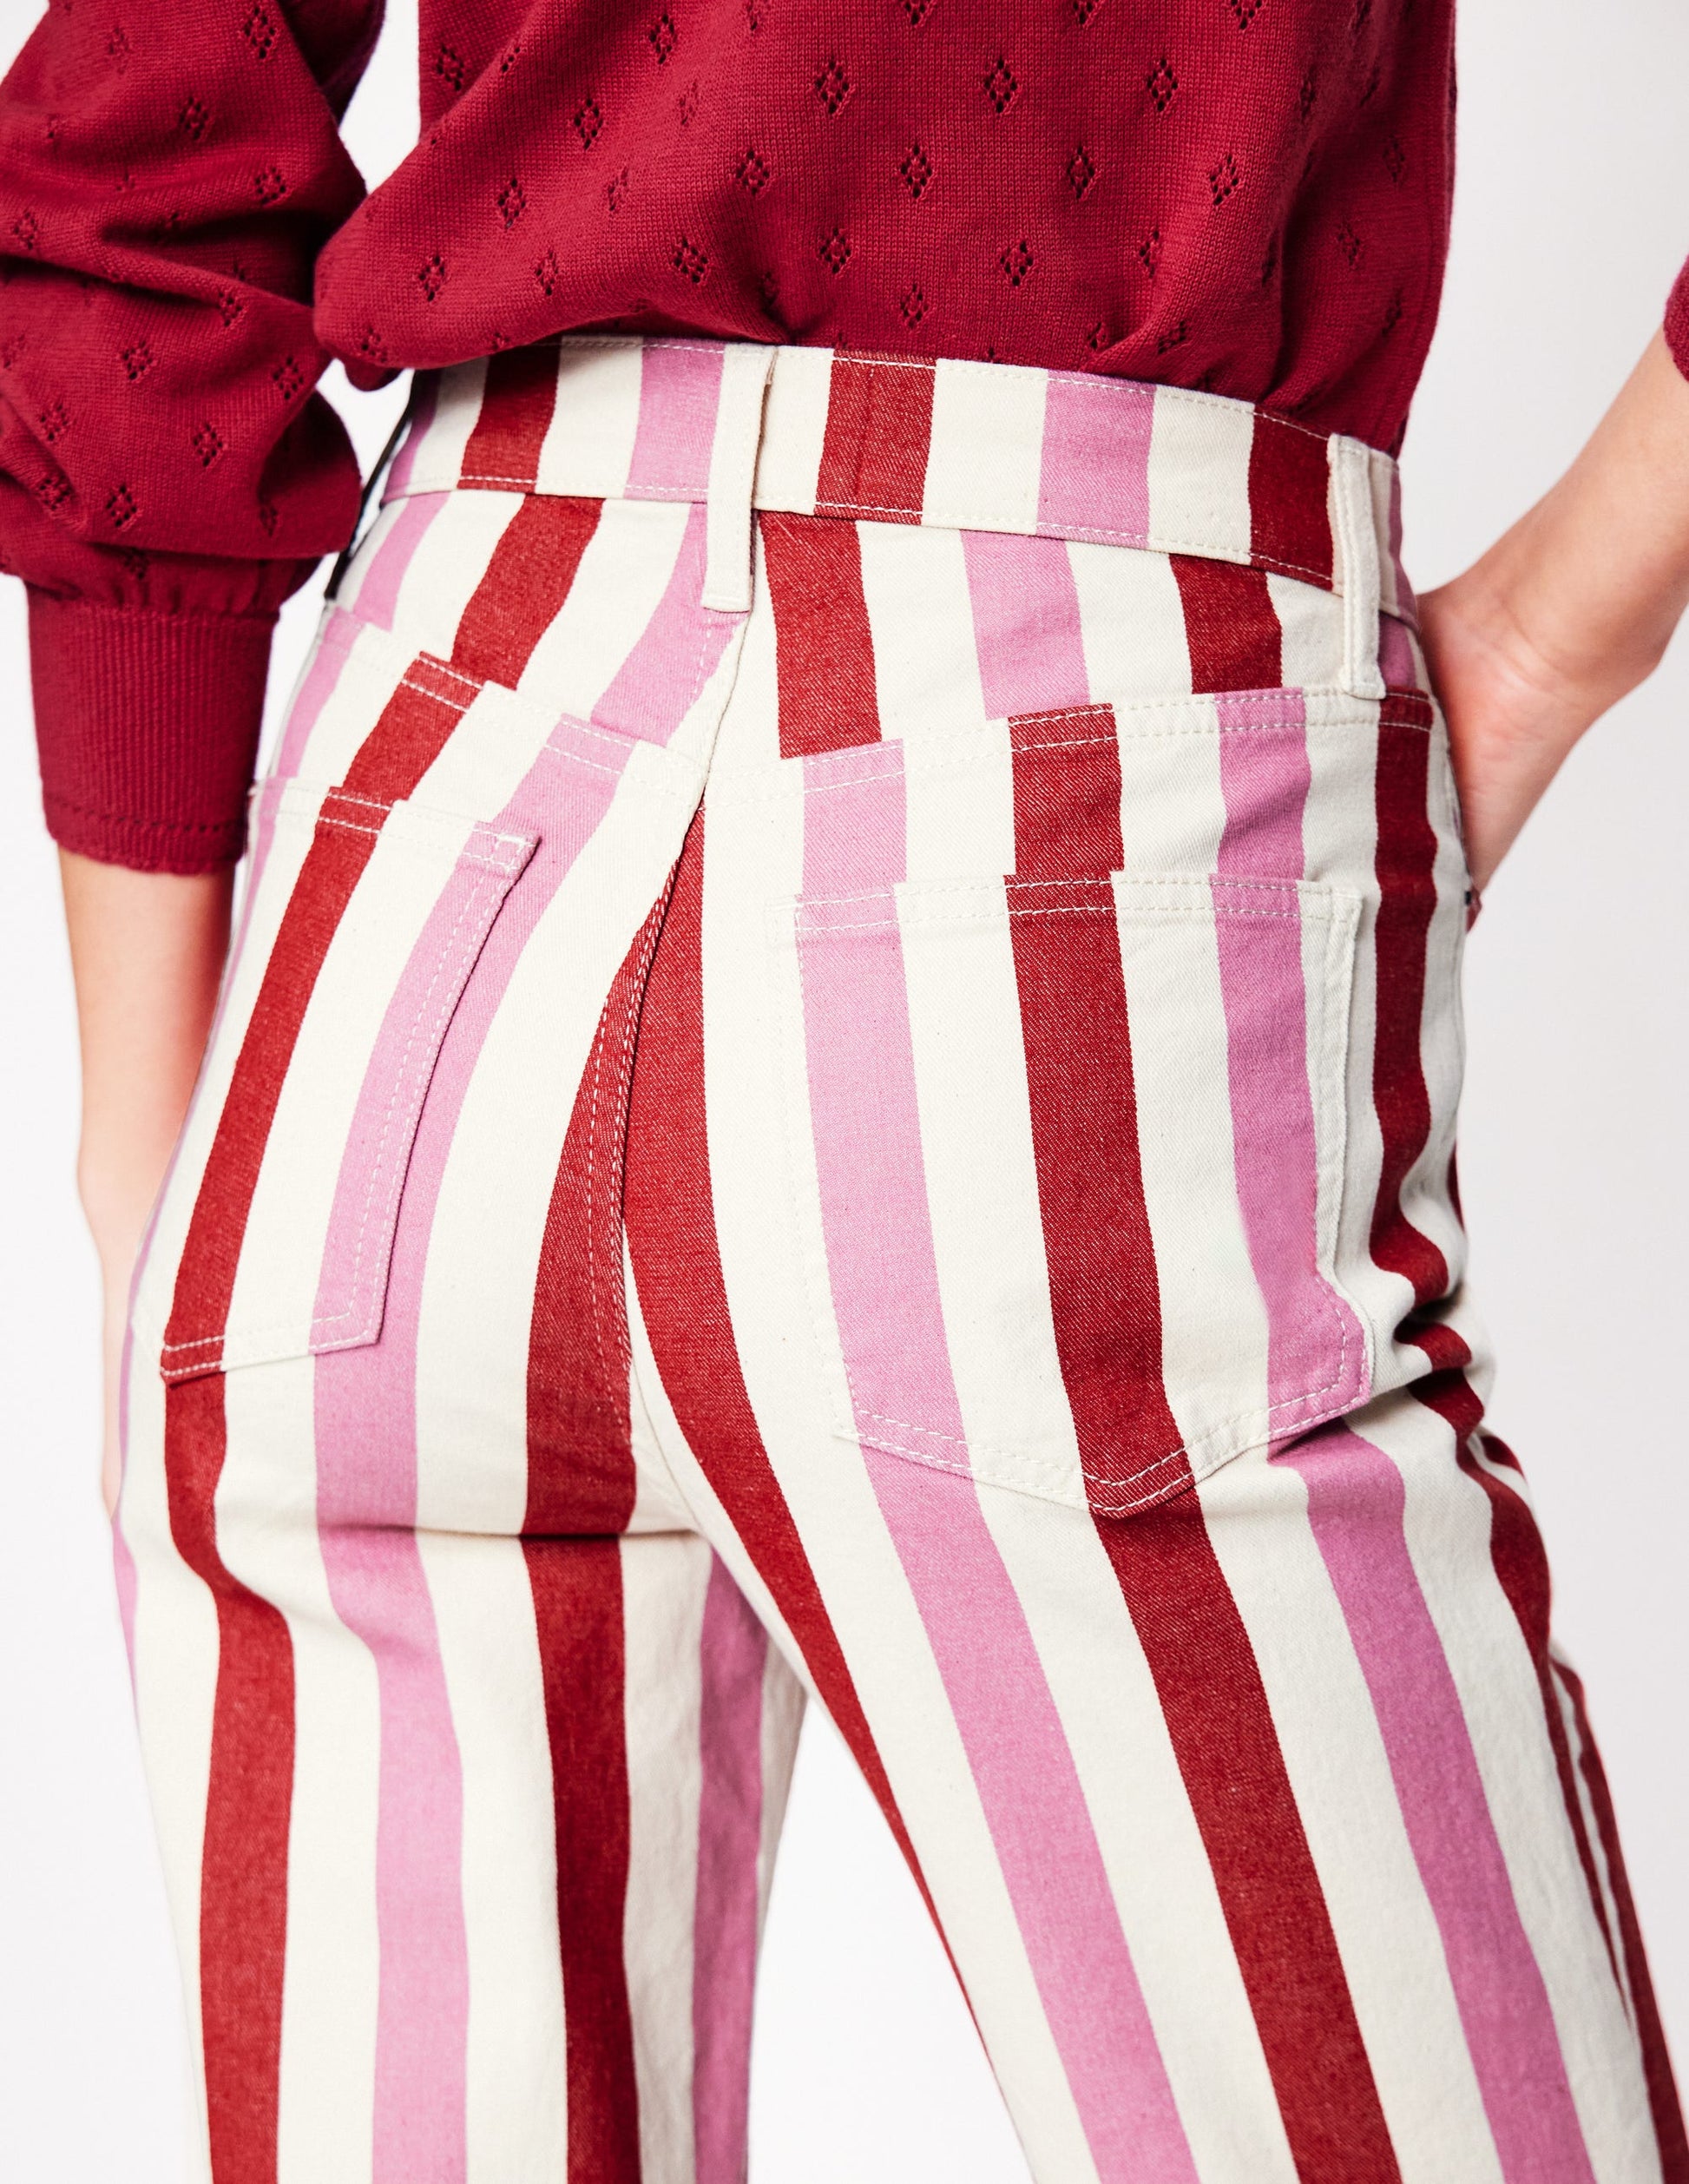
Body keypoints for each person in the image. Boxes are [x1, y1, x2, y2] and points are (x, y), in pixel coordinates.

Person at [3, 3, 1687, 2177]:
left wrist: (149, 1185)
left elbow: (140, 137)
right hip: (1067, 760)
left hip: (414, 825)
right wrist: (1551, 635)